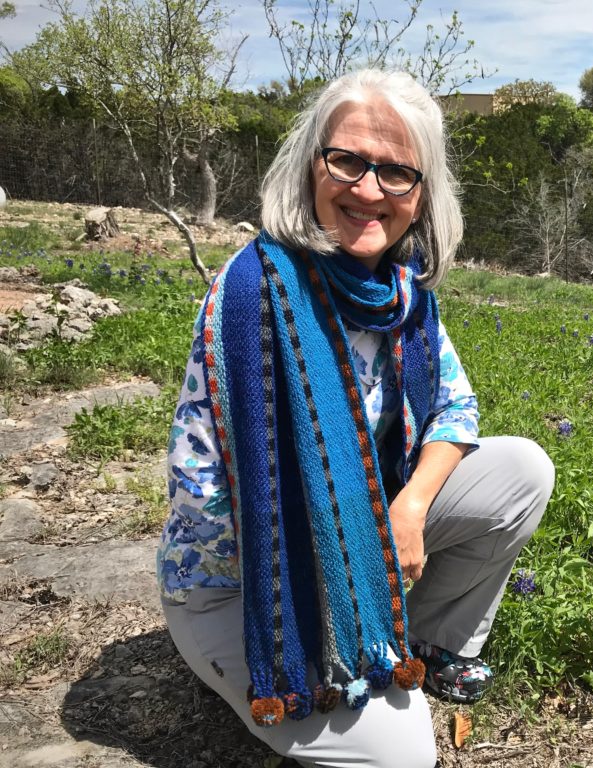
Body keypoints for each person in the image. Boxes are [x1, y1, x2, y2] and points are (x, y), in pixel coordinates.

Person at [156, 68, 555, 768]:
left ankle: (428, 642)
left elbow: (455, 409)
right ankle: (288, 660)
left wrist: (409, 509)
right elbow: (201, 494)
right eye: (347, 160)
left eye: (397, 172)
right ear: (311, 165)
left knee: (522, 469)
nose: (369, 190)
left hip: (361, 537)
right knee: (405, 757)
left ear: (422, 192)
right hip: (250, 585)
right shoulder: (251, 296)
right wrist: (348, 560)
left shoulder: (400, 290)